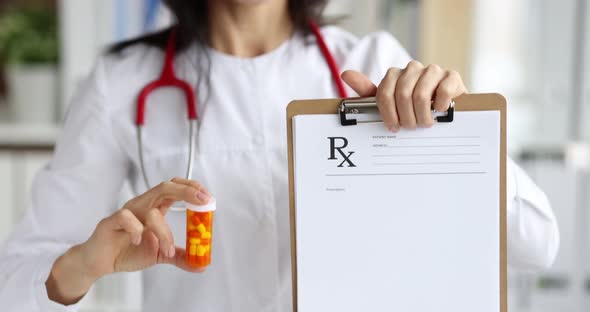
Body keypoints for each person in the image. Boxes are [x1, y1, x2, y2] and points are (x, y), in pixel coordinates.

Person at [0, 0, 559, 311]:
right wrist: (83, 263)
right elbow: (16, 281)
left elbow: (538, 241)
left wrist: (448, 134)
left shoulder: (371, 64)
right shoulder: (122, 83)